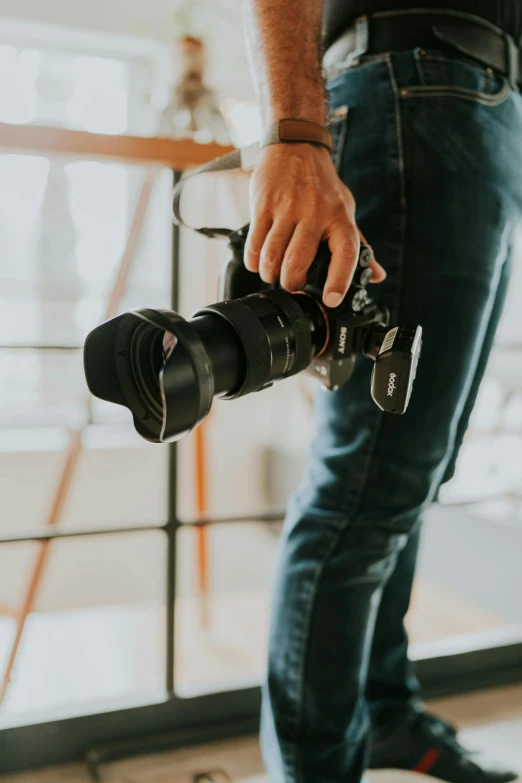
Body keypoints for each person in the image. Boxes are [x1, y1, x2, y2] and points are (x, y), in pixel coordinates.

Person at [241, 2, 522, 782]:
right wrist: (295, 135)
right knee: (363, 489)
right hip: (416, 88)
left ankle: (385, 711)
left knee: (409, 475)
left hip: (474, 104)